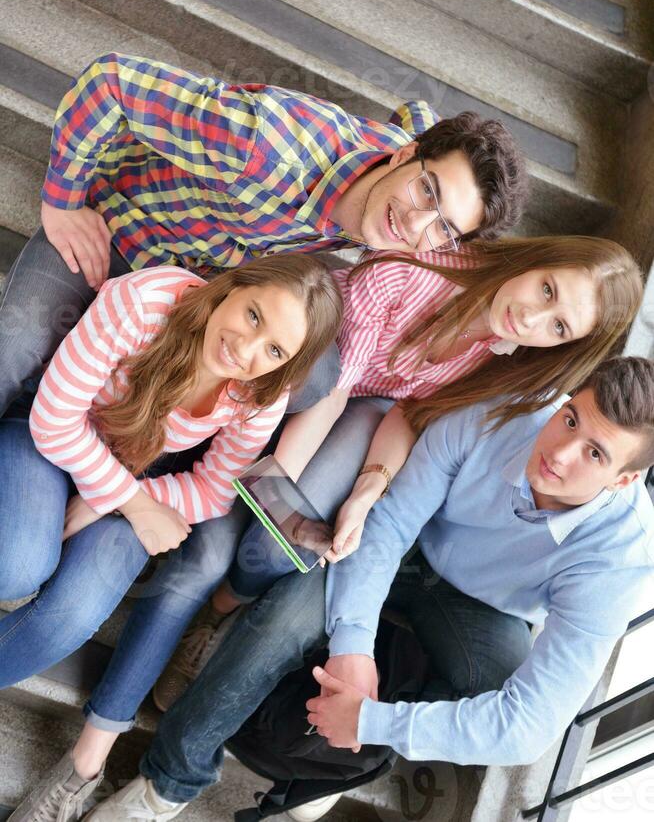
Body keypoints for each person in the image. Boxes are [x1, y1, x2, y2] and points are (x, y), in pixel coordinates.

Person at [8, 238, 643, 821]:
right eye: (548, 290)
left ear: (622, 481)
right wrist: (352, 648)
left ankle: (319, 743)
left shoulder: (608, 551)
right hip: (387, 506)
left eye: (595, 456)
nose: (534, 319)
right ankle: (174, 766)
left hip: (475, 597)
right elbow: (374, 488)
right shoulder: (502, 409)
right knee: (269, 571)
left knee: (498, 677)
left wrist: (376, 720)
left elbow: (530, 726)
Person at [153, 233, 641, 708]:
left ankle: (219, 611)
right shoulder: (421, 269)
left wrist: (369, 489)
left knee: (286, 546)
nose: (533, 317)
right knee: (256, 530)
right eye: (547, 290)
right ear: (539, 259)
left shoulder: (506, 361)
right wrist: (277, 484)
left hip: (366, 416)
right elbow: (334, 390)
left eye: (558, 328)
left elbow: (408, 413)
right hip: (301, 381)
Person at [0, 52, 526, 418]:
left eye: (446, 228)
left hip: (205, 293)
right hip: (118, 231)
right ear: (407, 155)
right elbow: (110, 80)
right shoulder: (263, 142)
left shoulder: (400, 209)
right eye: (428, 192)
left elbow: (420, 121)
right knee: (14, 347)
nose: (416, 225)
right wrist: (63, 200)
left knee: (313, 381)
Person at [0, 253, 341, 693]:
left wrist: (112, 497)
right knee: (17, 566)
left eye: (275, 350)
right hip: (50, 440)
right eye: (253, 315)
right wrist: (130, 502)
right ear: (234, 286)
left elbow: (216, 489)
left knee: (75, 614)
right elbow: (54, 420)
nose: (245, 349)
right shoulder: (146, 302)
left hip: (137, 471)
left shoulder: (260, 393)